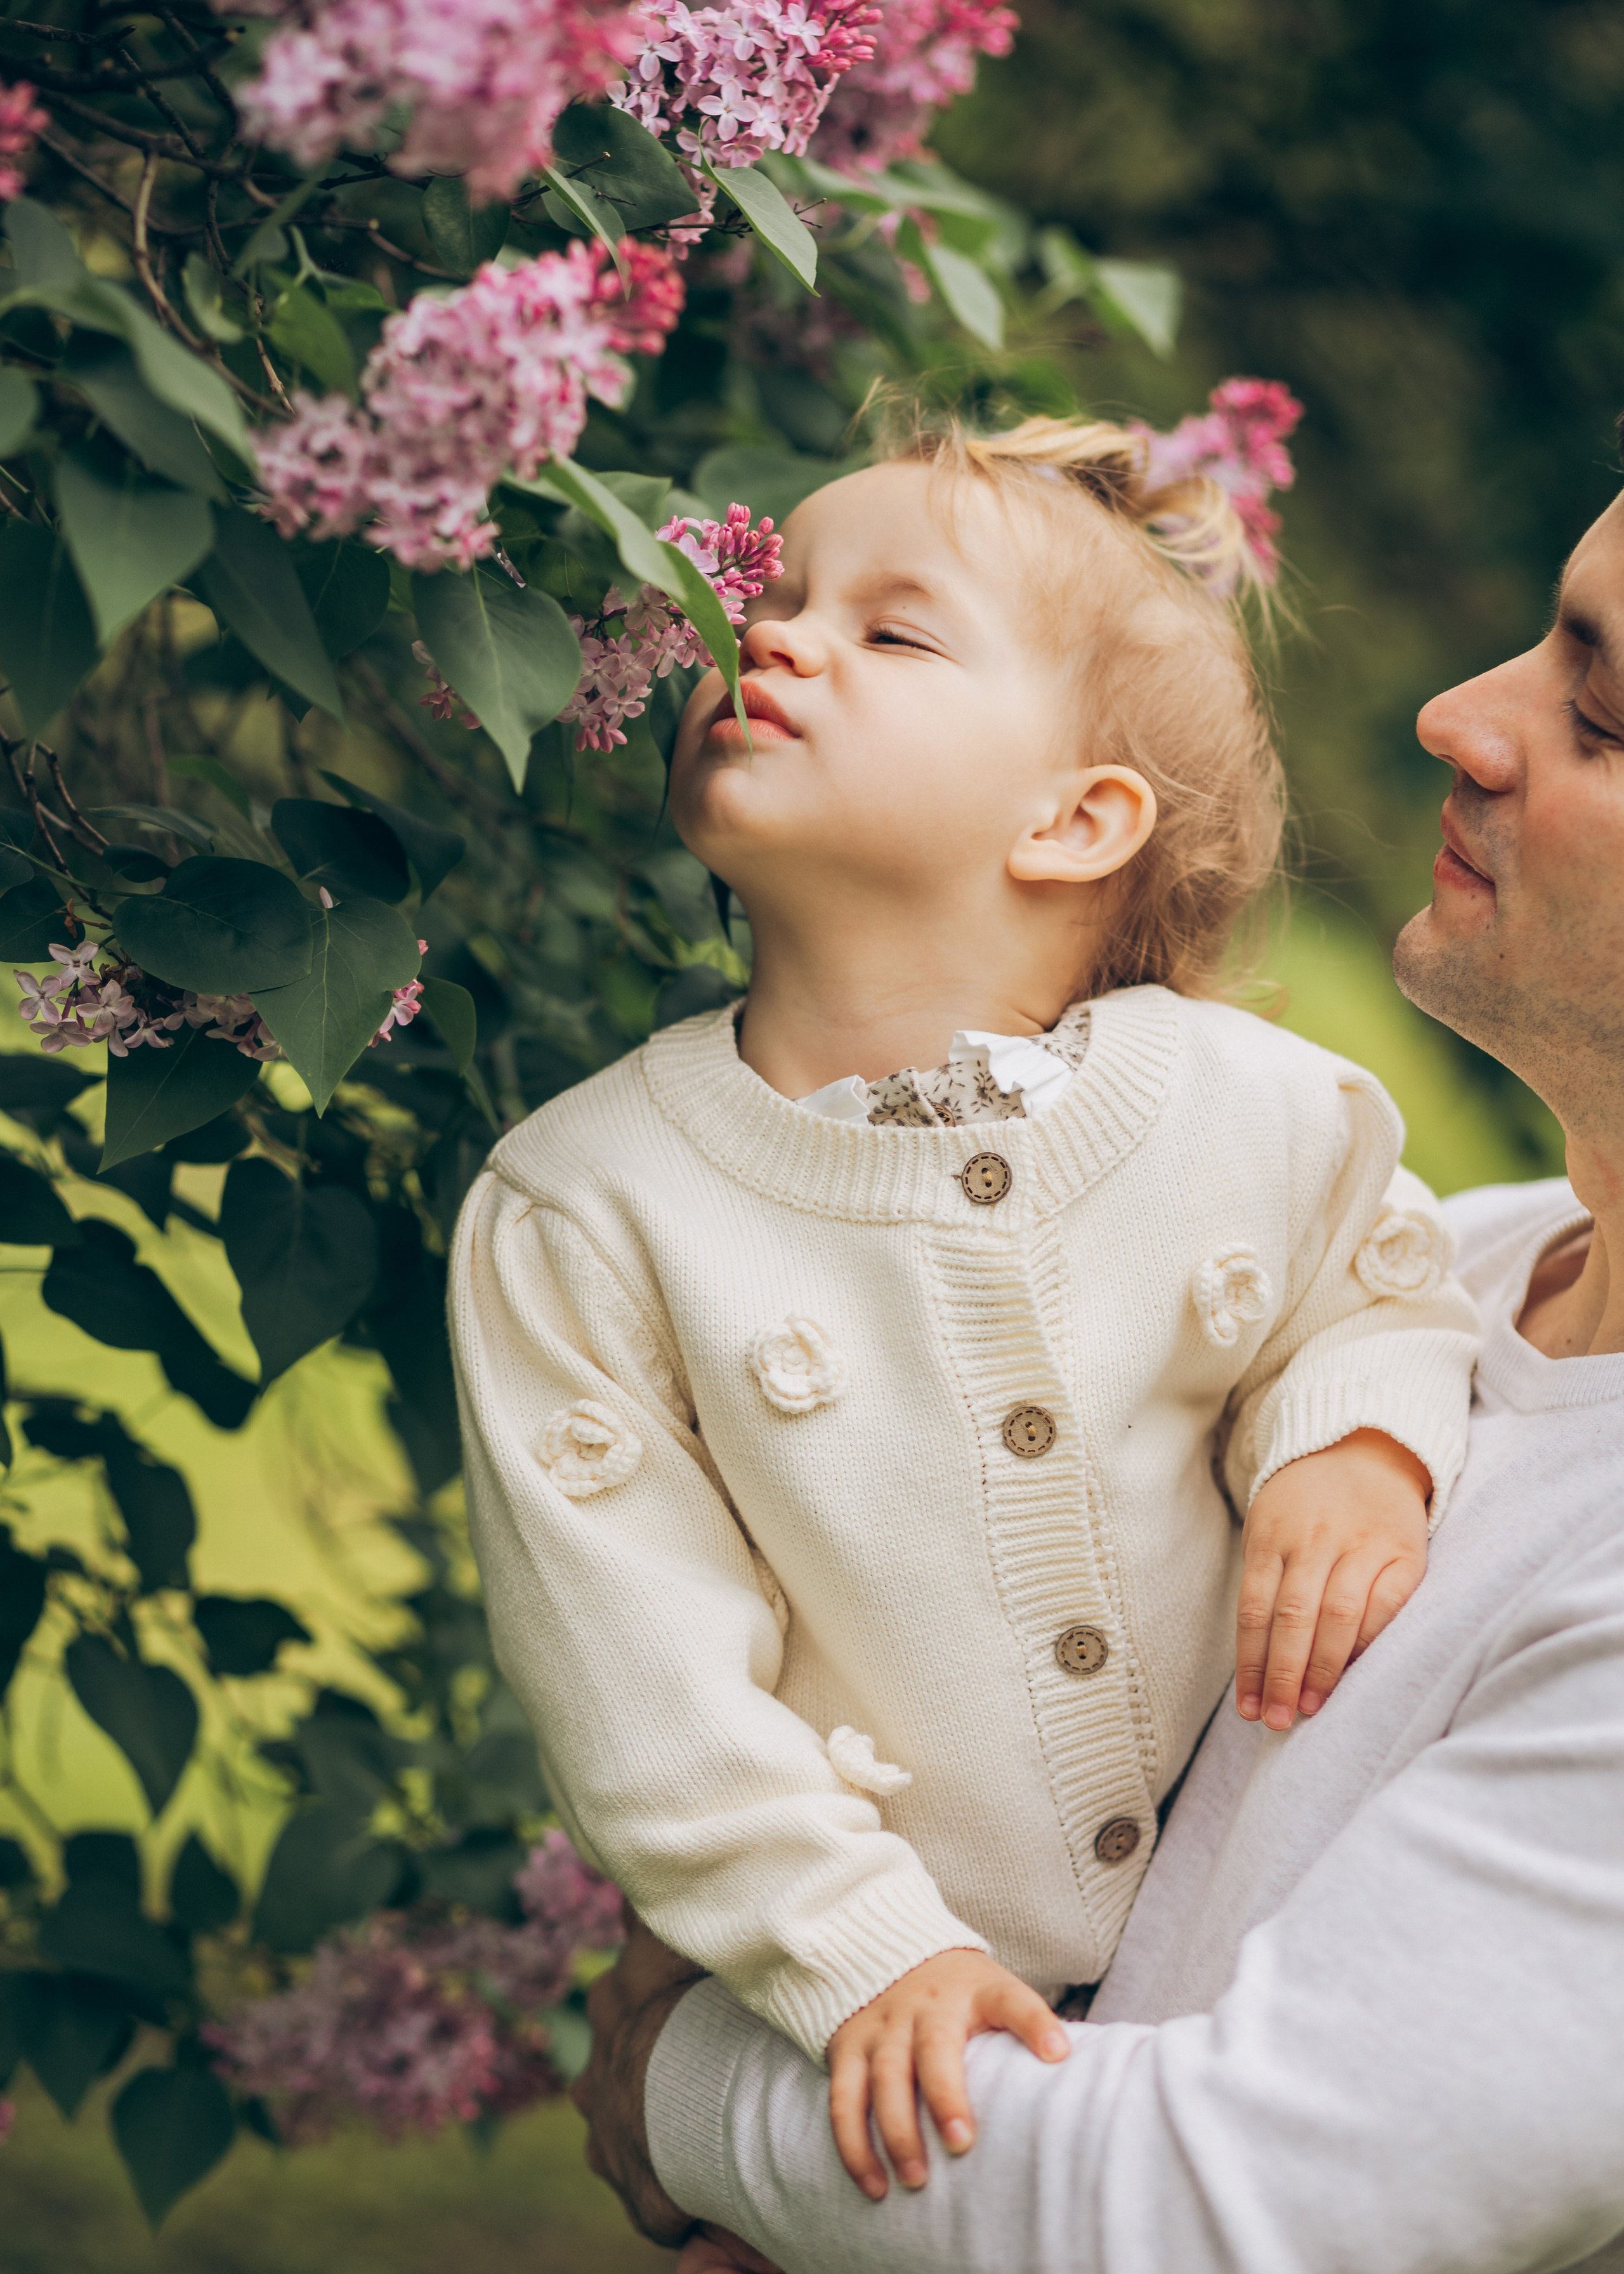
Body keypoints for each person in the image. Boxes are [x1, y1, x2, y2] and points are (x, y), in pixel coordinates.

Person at [570, 472, 1624, 2274]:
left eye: (1601, 710)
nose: (1460, 715)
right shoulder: (1410, 1270)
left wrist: (693, 2091)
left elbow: (1220, 2219)